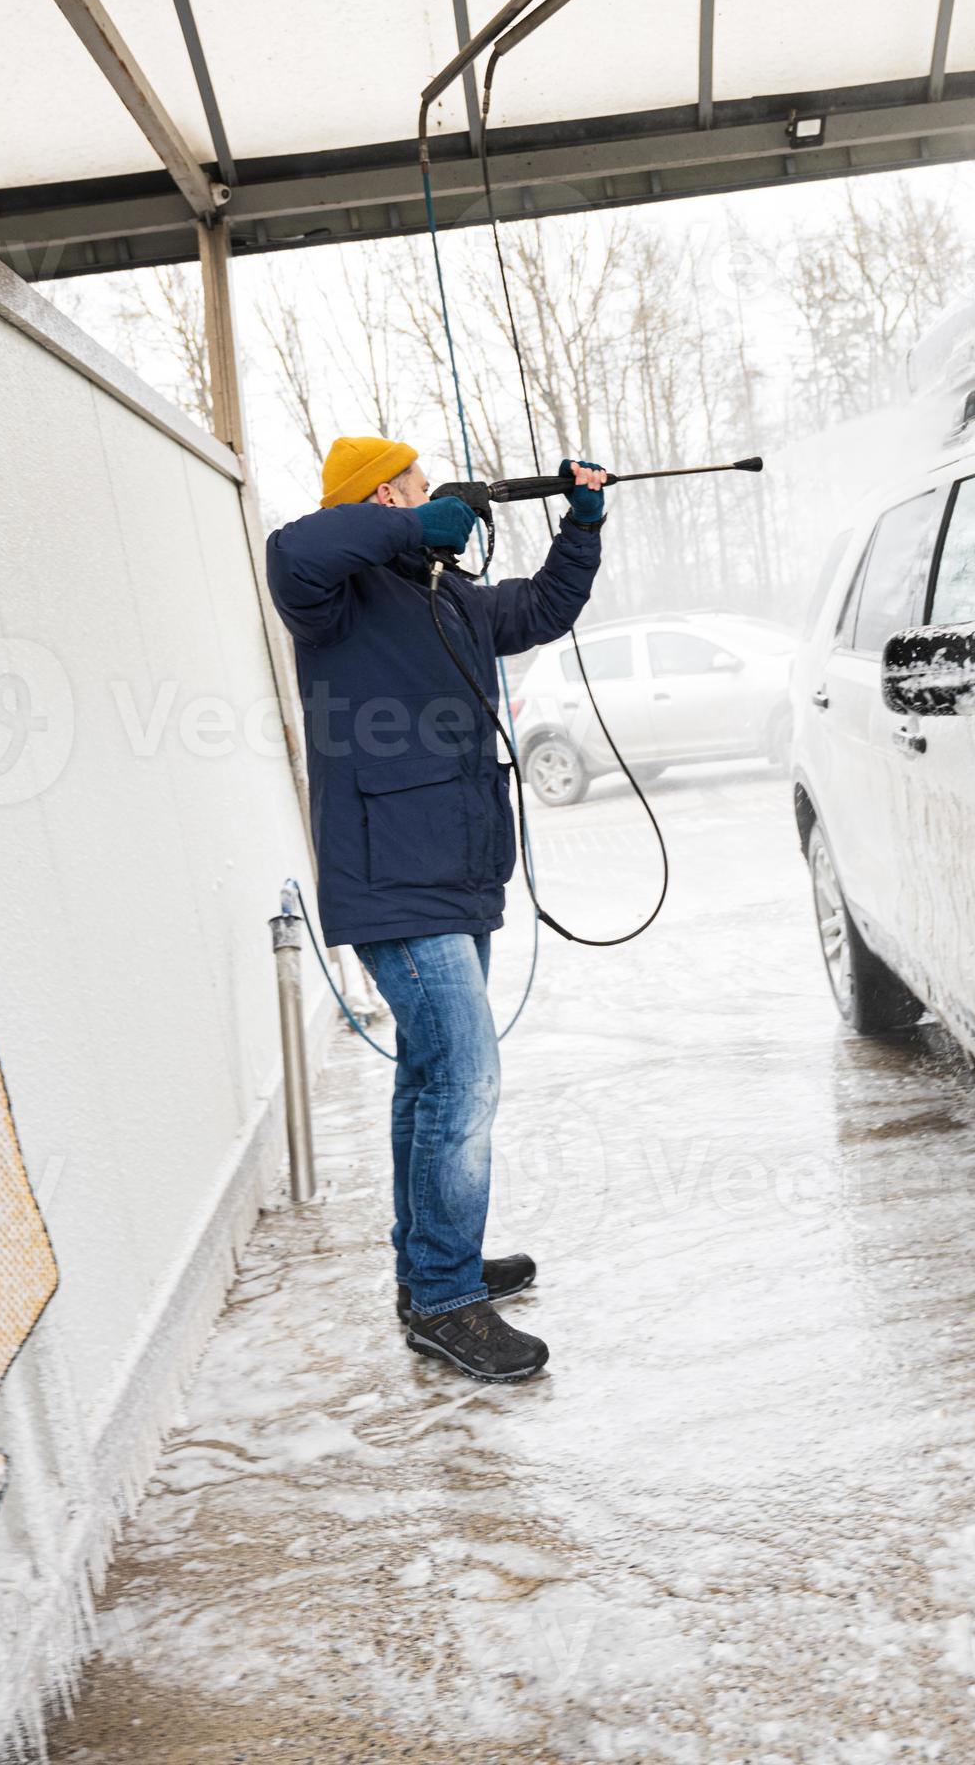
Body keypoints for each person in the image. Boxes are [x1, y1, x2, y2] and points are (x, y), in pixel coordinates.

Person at [265, 435, 610, 1382]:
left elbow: (537, 609)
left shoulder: (442, 592)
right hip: (392, 877)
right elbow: (293, 548)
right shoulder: (332, 597)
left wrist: (581, 524)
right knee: (466, 1079)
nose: (434, 499)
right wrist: (415, 523)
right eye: (416, 487)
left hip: (457, 872)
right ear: (383, 497)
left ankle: (432, 1272)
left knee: (430, 1078)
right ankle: (448, 1301)